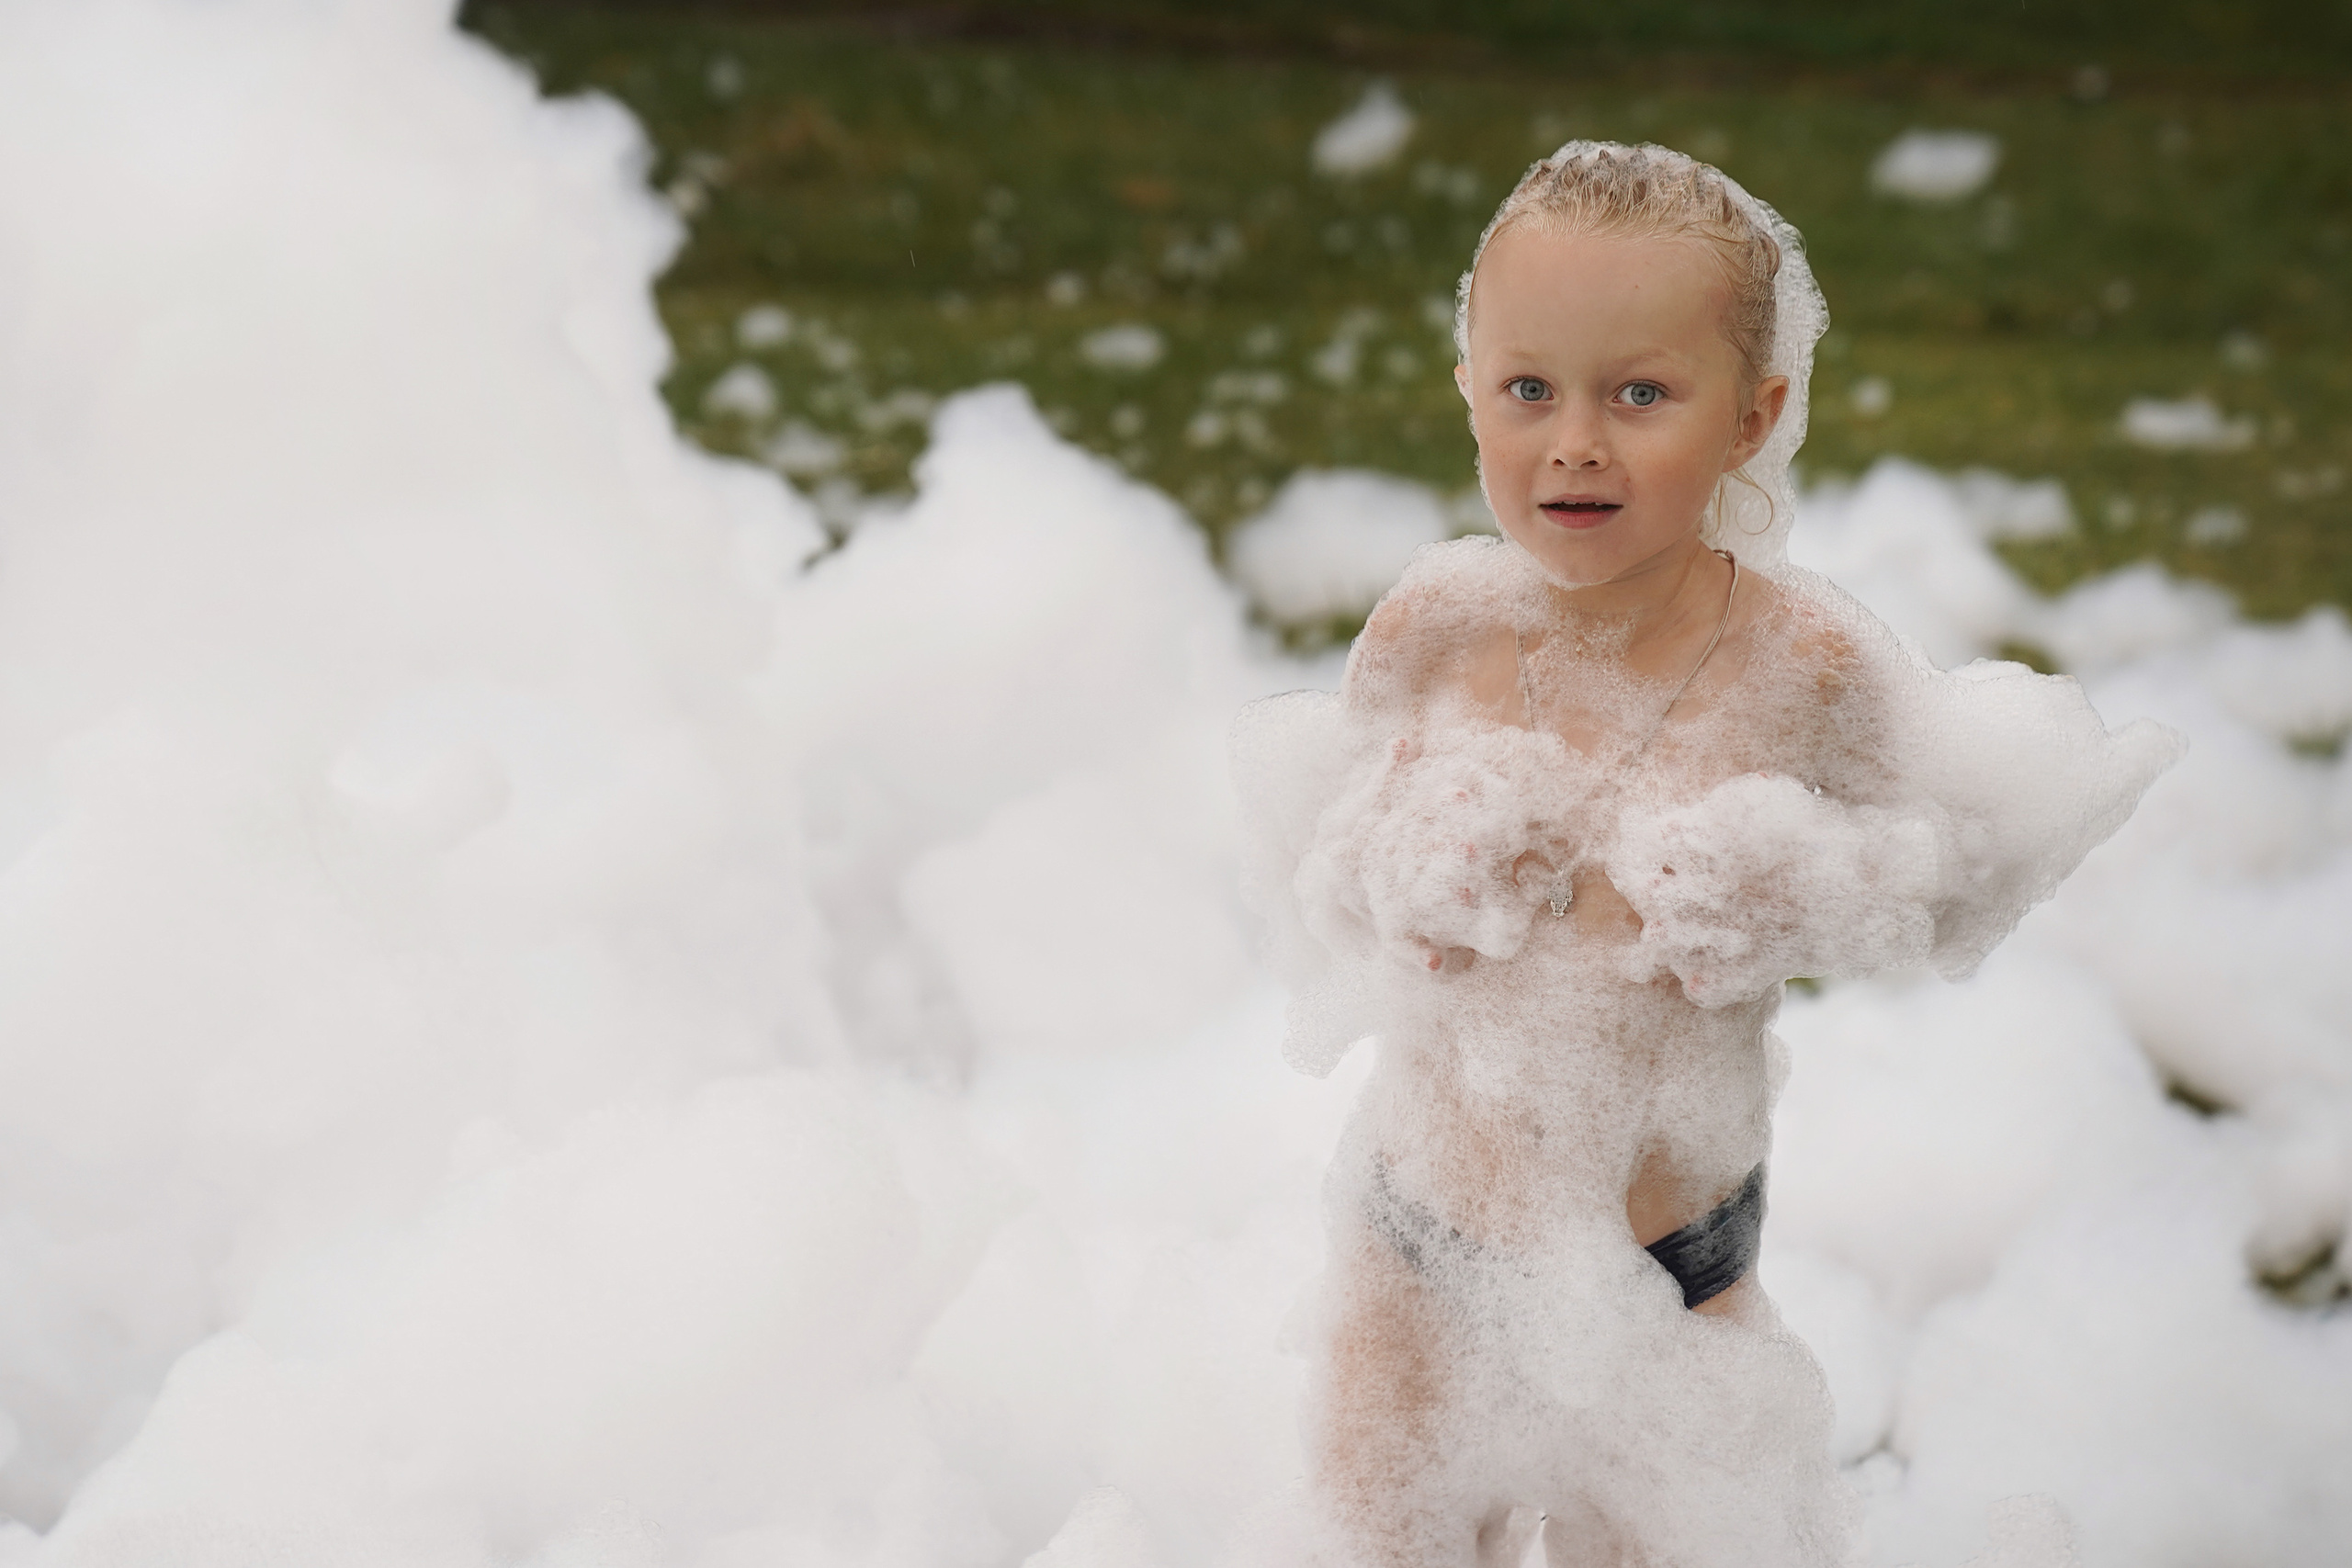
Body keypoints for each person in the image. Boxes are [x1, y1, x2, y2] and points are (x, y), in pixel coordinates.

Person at [1232, 143, 2179, 1568]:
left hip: (1663, 1295)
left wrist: (1790, 883)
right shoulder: (1433, 627)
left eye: (1642, 394)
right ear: (1472, 391)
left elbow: (1956, 874)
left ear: (1755, 416)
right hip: (1413, 1257)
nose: (1575, 443)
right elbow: (1324, 868)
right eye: (1529, 389)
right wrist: (1405, 867)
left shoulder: (1804, 664)